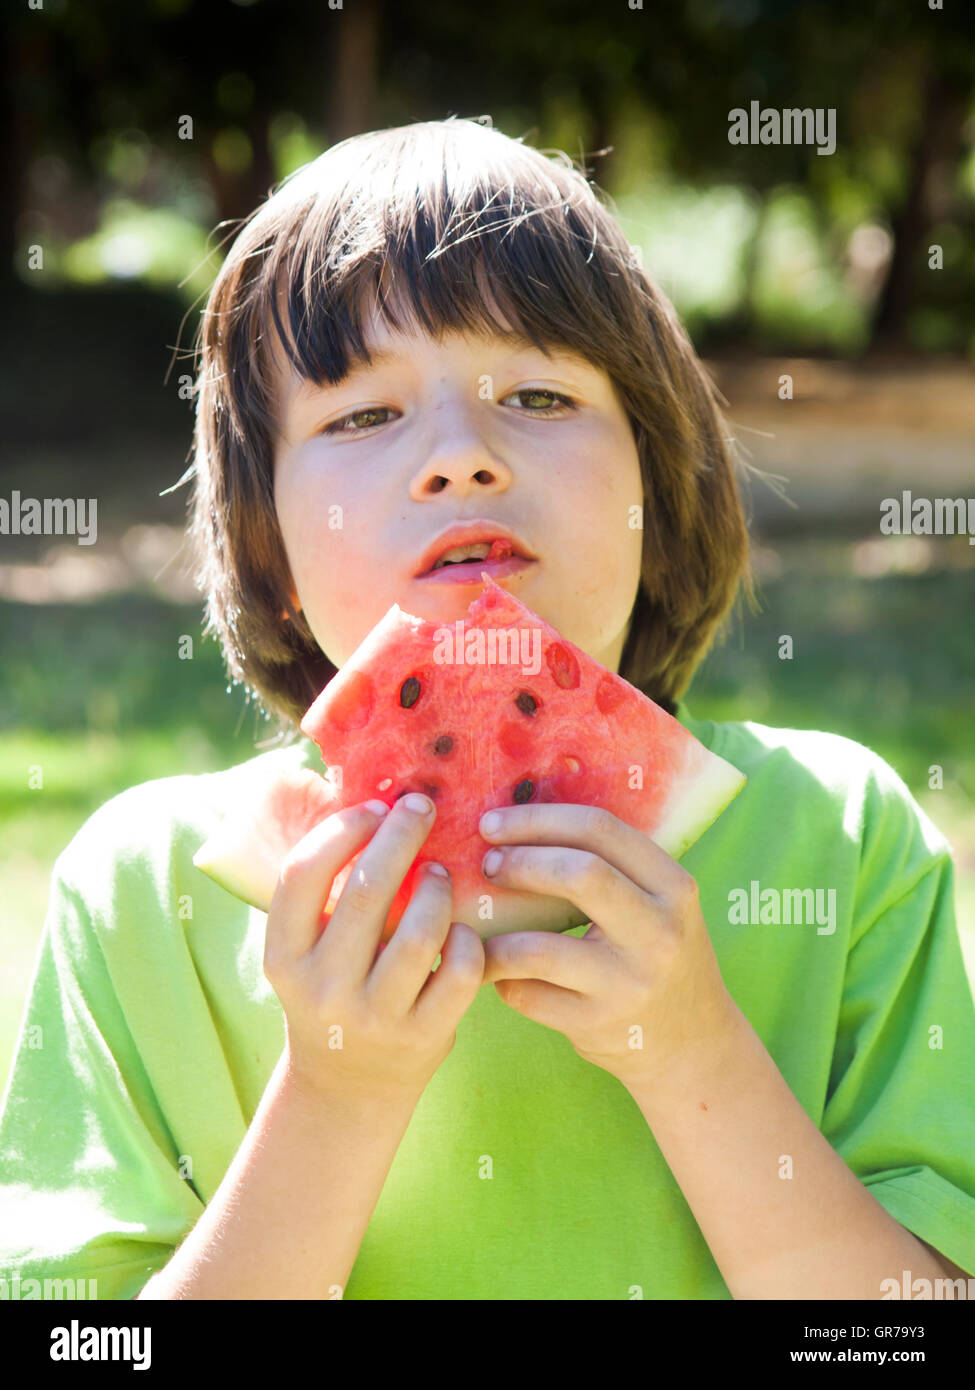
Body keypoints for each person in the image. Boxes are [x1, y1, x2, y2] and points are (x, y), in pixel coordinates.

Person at [1, 116, 973, 1302]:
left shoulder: (843, 838)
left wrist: (692, 1053)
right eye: (364, 415)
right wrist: (336, 1099)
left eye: (538, 393)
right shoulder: (145, 893)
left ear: (659, 484)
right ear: (267, 540)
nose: (461, 457)